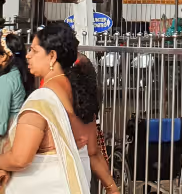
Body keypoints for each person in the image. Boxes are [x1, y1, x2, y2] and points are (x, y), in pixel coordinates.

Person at [0, 22, 91, 192]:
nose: (28, 56)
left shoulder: (42, 98)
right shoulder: (72, 89)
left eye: (34, 51)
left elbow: (20, 158)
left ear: (52, 56)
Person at [66, 57, 119, 194]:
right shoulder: (86, 107)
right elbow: (93, 152)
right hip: (82, 176)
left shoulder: (52, 99)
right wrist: (111, 187)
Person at [0, 31, 35, 141]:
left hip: (9, 137)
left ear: (5, 56)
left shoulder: (6, 80)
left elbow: (1, 125)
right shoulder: (24, 74)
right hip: (21, 131)